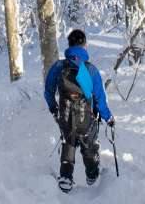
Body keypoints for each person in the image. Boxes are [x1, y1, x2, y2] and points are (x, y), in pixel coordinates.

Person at [44, 28, 113, 191]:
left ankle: (66, 179)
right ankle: (92, 175)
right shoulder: (91, 70)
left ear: (69, 45)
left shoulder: (58, 67)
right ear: (85, 46)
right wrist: (108, 117)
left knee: (68, 141)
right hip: (86, 119)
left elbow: (48, 91)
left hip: (65, 117)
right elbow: (100, 99)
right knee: (88, 143)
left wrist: (54, 110)